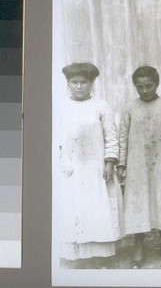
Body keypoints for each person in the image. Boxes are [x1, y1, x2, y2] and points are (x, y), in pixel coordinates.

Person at [55, 62, 123, 269]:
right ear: (68, 83)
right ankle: (77, 256)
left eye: (83, 82)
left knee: (97, 208)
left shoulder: (101, 106)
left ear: (91, 83)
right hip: (71, 169)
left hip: (95, 168)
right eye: (74, 82)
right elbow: (55, 139)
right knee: (75, 209)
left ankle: (99, 255)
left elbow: (111, 137)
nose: (78, 86)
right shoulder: (61, 106)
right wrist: (62, 162)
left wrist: (109, 162)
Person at [116, 66, 161, 268]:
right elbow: (123, 137)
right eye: (140, 87)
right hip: (137, 165)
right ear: (135, 87)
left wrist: (160, 141)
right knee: (139, 203)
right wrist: (121, 163)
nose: (145, 90)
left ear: (157, 84)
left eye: (149, 86)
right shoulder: (130, 107)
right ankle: (139, 247)